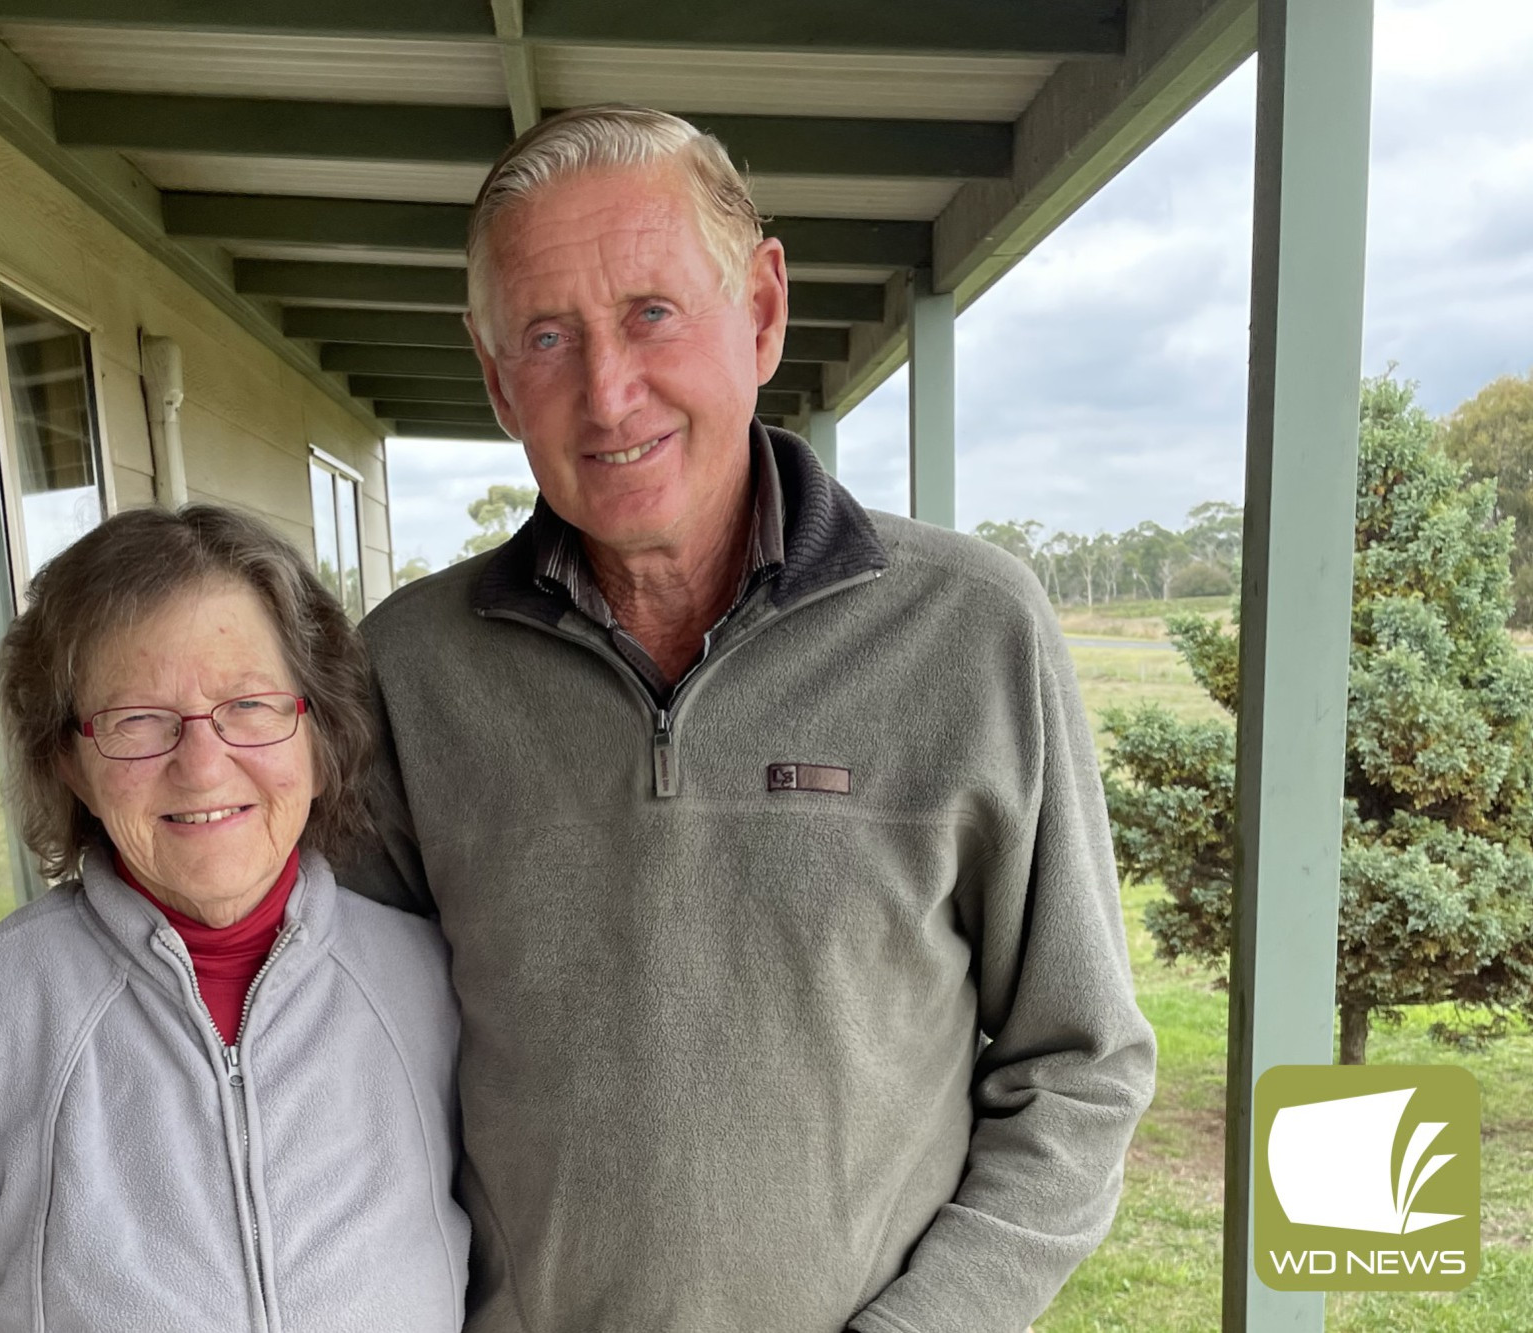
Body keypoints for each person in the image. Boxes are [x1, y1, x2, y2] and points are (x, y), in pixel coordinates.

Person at [344, 105, 1157, 1333]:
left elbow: (1078, 1062)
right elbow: (345, 1060)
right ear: (493, 372)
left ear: (763, 310)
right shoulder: (408, 669)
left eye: (651, 314)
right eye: (547, 336)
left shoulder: (968, 629)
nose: (608, 394)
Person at [0, 505, 468, 1333]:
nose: (202, 766)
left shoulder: (430, 983)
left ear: (318, 729)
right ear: (70, 761)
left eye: (250, 704)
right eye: (137, 721)